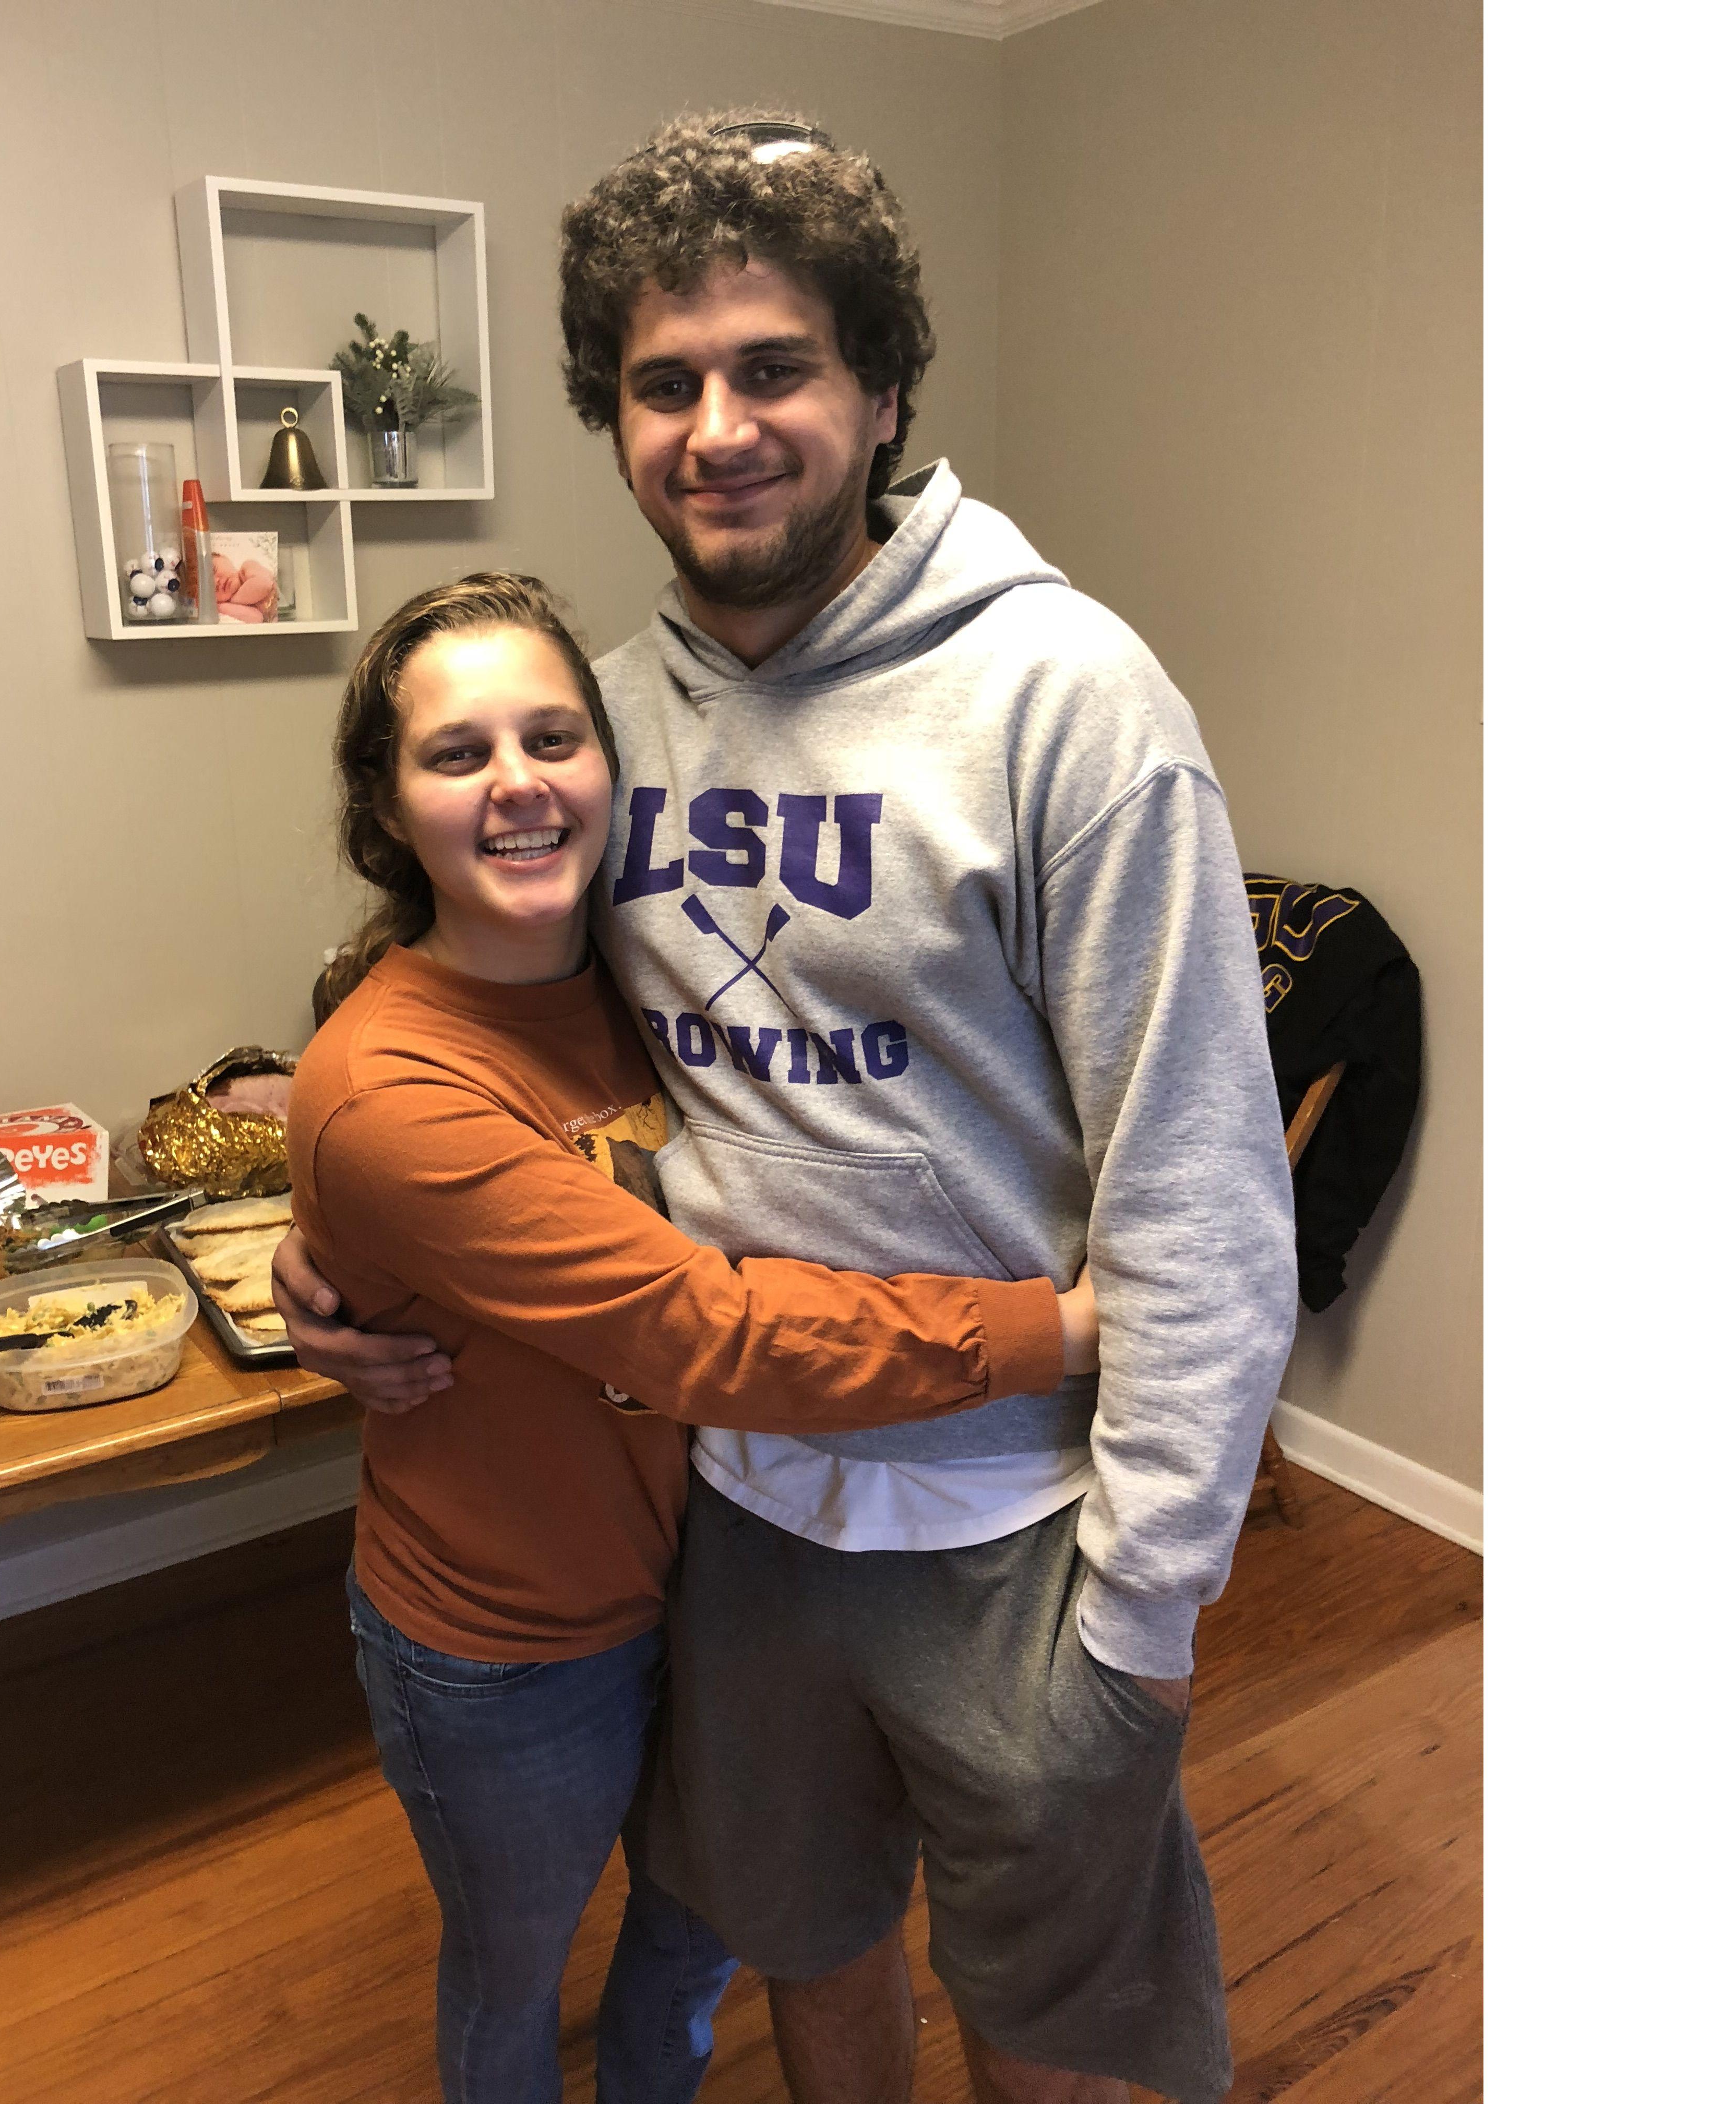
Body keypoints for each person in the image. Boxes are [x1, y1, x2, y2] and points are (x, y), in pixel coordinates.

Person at [278, 114, 1299, 2104]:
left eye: (774, 368)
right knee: (811, 1959)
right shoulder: (608, 719)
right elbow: (474, 994)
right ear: (614, 419)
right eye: (664, 384)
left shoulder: (1069, 702)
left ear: (884, 389)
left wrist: (1150, 1612)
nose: (718, 429)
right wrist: (342, 1235)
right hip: (737, 1518)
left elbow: (1204, 1186)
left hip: (1026, 1526)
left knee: (1050, 2030)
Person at [293, 568, 1105, 2104]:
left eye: (553, 738)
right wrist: (1056, 1330)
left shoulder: (639, 970)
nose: (518, 783)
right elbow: (705, 1330)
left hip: (722, 1572)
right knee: (515, 1978)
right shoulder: (387, 1089)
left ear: (613, 768)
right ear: (389, 810)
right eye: (458, 753)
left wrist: (319, 1246)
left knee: (695, 1943)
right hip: (510, 1643)